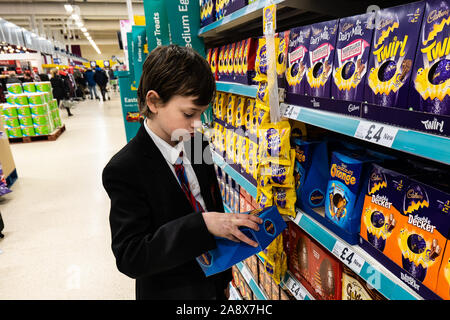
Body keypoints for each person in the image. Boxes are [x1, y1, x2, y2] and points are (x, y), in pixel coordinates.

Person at [102, 45, 262, 300]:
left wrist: (224, 279)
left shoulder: (196, 143)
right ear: (154, 102)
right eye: (189, 113)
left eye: (201, 114)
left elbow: (211, 202)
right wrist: (202, 225)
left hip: (213, 284)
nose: (197, 123)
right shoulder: (125, 169)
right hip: (171, 290)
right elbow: (131, 256)